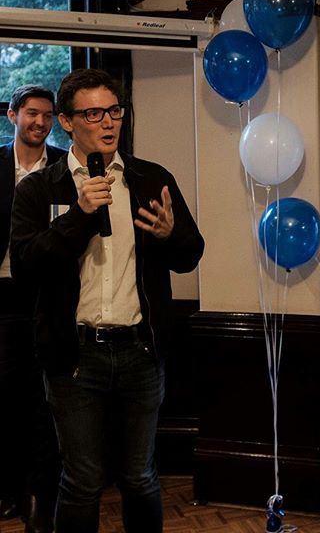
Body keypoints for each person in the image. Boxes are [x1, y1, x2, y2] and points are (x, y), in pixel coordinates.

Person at [10, 68, 205, 533]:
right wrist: (79, 215)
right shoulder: (40, 188)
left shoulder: (149, 177)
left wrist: (170, 234)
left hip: (140, 351)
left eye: (114, 111)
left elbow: (191, 254)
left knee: (140, 476)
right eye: (93, 113)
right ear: (67, 122)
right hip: (75, 356)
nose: (108, 122)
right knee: (82, 479)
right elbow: (25, 265)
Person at [0, 85, 64, 533]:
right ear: (13, 115)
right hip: (0, 298)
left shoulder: (65, 166)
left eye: (46, 115)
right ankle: (8, 490)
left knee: (47, 403)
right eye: (31, 114)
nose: (39, 122)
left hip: (48, 298)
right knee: (5, 400)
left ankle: (44, 495)